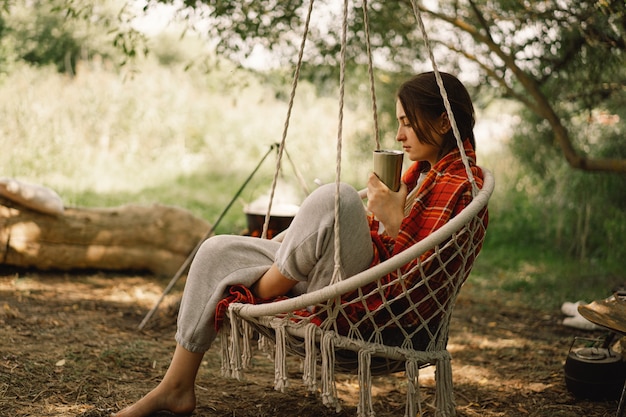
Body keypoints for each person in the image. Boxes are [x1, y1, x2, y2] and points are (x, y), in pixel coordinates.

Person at [112, 71, 487, 417]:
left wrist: (392, 219)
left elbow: (415, 283)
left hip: (374, 309)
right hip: (343, 280)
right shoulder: (420, 175)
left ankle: (263, 288)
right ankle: (176, 387)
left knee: (337, 198)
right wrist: (383, 218)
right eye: (399, 123)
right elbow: (376, 243)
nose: (398, 136)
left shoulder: (463, 188)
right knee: (216, 252)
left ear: (443, 121)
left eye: (407, 123)